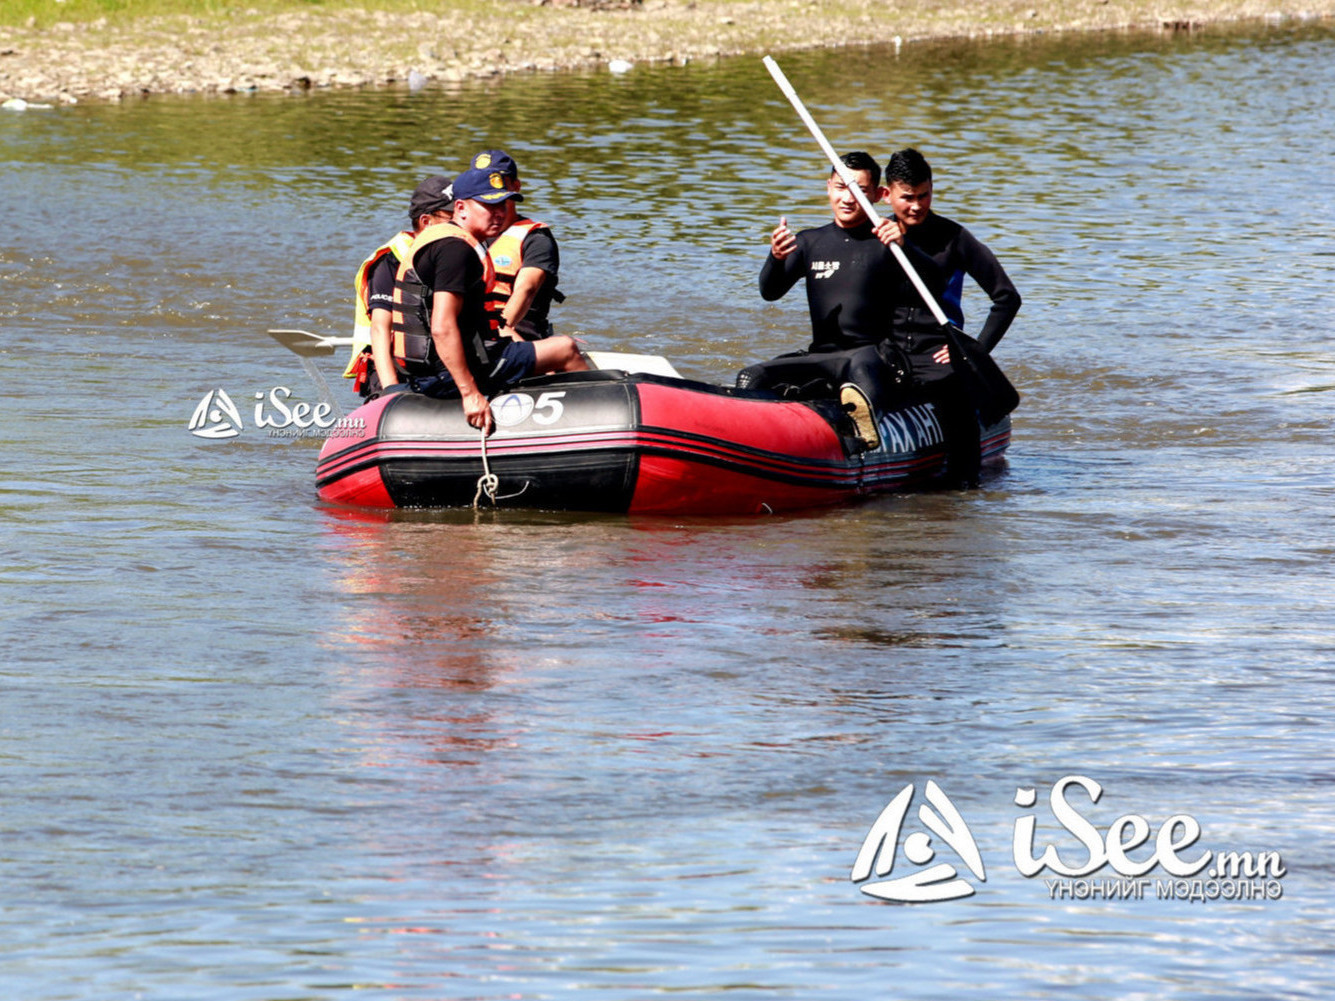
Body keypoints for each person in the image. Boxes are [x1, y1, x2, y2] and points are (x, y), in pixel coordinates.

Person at [389, 163, 587, 433]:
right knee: (565, 348)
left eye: (503, 205)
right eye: (488, 206)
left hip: (425, 370)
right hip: (446, 373)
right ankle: (589, 424)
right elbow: (442, 326)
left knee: (527, 349)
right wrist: (469, 393)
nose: (498, 213)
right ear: (460, 208)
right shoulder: (457, 250)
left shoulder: (440, 239)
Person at [872, 147, 1022, 485]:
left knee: (958, 415)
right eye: (907, 197)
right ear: (886, 195)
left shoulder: (954, 238)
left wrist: (974, 352)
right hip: (887, 350)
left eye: (924, 196)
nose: (916, 206)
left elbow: (1007, 297)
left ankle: (962, 491)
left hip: (939, 352)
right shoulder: (874, 235)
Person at [750, 151, 905, 447]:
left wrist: (905, 242)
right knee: (751, 377)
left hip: (872, 359)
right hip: (822, 357)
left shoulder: (889, 241)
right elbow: (769, 292)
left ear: (878, 194)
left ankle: (864, 437)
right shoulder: (810, 242)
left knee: (859, 366)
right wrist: (776, 257)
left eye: (859, 190)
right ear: (828, 187)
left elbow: (931, 284)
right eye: (841, 187)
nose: (848, 198)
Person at [342, 175, 455, 399]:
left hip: (437, 368)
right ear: (426, 221)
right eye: (452, 218)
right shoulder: (390, 261)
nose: (461, 224)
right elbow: (379, 329)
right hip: (395, 371)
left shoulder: (453, 257)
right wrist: (391, 390)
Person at [465, 149, 566, 341]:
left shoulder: (537, 239)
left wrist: (496, 335)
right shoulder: (464, 235)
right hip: (473, 333)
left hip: (518, 337)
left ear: (516, 186)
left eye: (496, 183)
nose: (488, 190)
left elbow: (525, 290)